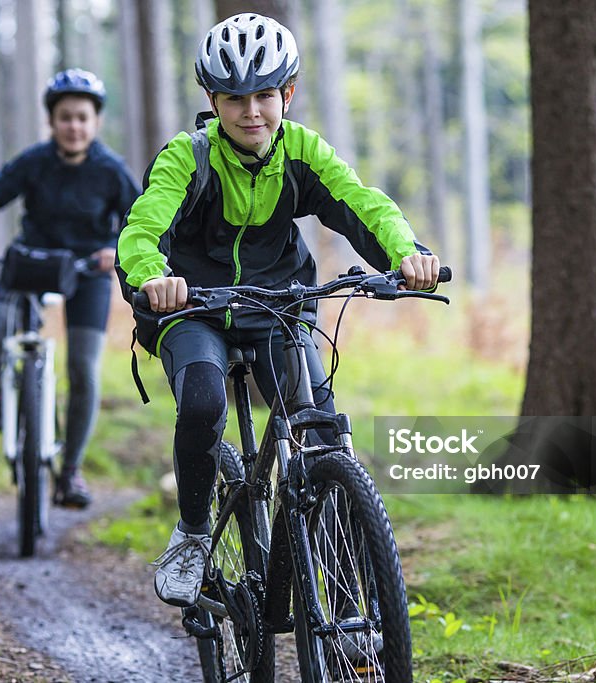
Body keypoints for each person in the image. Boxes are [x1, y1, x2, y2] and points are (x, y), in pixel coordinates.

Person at [117, 13, 440, 607]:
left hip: (278, 305)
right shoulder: (186, 157)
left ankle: (349, 602)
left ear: (287, 93)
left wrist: (408, 253)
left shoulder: (301, 150)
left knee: (320, 435)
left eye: (265, 95)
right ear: (212, 99)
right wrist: (154, 278)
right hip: (194, 307)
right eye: (234, 98)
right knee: (204, 401)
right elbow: (142, 231)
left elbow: (361, 203)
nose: (251, 112)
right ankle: (192, 534)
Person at [0, 68, 140, 509]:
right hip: (29, 265)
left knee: (83, 370)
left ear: (96, 122)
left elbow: (140, 220)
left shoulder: (111, 171)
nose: (74, 126)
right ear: (52, 121)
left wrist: (114, 250)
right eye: (65, 117)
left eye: (83, 117)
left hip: (87, 273)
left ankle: (70, 472)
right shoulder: (34, 162)